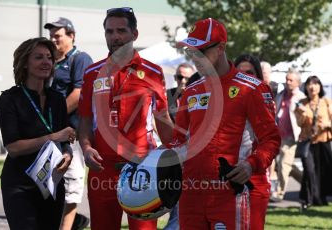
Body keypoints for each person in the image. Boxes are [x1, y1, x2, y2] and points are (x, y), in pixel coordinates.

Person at [172, 18, 281, 229]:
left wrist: (251, 164)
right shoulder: (191, 92)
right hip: (191, 195)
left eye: (201, 51)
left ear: (221, 47)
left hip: (232, 194)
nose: (195, 58)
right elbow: (178, 141)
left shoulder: (252, 89)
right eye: (191, 52)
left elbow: (271, 139)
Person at [78, 7, 173, 230]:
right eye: (109, 32)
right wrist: (86, 148)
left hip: (142, 169)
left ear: (134, 34)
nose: (115, 37)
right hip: (102, 170)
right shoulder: (92, 73)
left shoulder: (153, 72)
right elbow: (84, 120)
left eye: (121, 30)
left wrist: (172, 161)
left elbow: (163, 120)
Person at [0, 37, 75, 229]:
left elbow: (65, 139)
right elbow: (13, 147)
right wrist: (52, 137)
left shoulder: (57, 99)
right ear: (25, 63)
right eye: (39, 57)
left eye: (49, 57)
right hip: (19, 185)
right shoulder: (10, 98)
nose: (46, 62)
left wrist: (67, 154)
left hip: (52, 184)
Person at [44, 17, 93, 230]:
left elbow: (79, 93)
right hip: (48, 133)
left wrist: (51, 116)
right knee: (49, 182)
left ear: (71, 36)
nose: (53, 39)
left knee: (71, 184)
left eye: (58, 35)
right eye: (51, 36)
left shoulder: (80, 59)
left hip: (71, 132)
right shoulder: (50, 62)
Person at [234, 53, 274, 228]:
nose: (245, 78)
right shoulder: (226, 98)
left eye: (249, 73)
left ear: (257, 74)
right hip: (229, 176)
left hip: (254, 175)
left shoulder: (263, 94)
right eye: (240, 73)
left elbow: (271, 139)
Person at [164, 63, 194, 230]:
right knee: (173, 201)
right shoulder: (168, 96)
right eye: (179, 77)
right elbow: (158, 121)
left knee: (181, 204)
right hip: (171, 155)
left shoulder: (198, 96)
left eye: (187, 78)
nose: (182, 81)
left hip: (191, 155)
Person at [295, 75, 332, 209]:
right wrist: (305, 114)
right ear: (305, 87)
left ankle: (319, 198)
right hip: (307, 142)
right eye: (309, 84)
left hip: (323, 141)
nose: (312, 87)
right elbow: (299, 123)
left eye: (315, 84)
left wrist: (327, 124)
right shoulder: (301, 103)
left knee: (323, 171)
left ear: (320, 86)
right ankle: (307, 199)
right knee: (309, 170)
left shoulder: (327, 102)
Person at [274, 69, 305, 201]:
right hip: (279, 136)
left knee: (283, 164)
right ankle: (306, 182)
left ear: (298, 82)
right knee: (283, 164)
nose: (287, 82)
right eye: (287, 79)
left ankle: (279, 194)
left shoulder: (301, 97)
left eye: (291, 80)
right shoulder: (281, 94)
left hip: (293, 137)